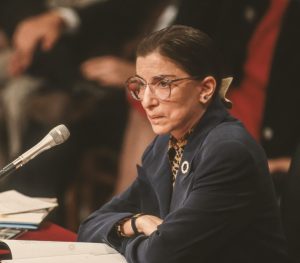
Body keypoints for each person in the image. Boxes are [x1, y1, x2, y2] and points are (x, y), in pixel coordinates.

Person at [77, 25, 288, 263]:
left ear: (206, 89)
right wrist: (135, 223)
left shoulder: (228, 150)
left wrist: (127, 236)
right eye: (141, 85)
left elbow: (161, 255)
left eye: (163, 84)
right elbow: (90, 227)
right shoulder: (164, 145)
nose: (147, 101)